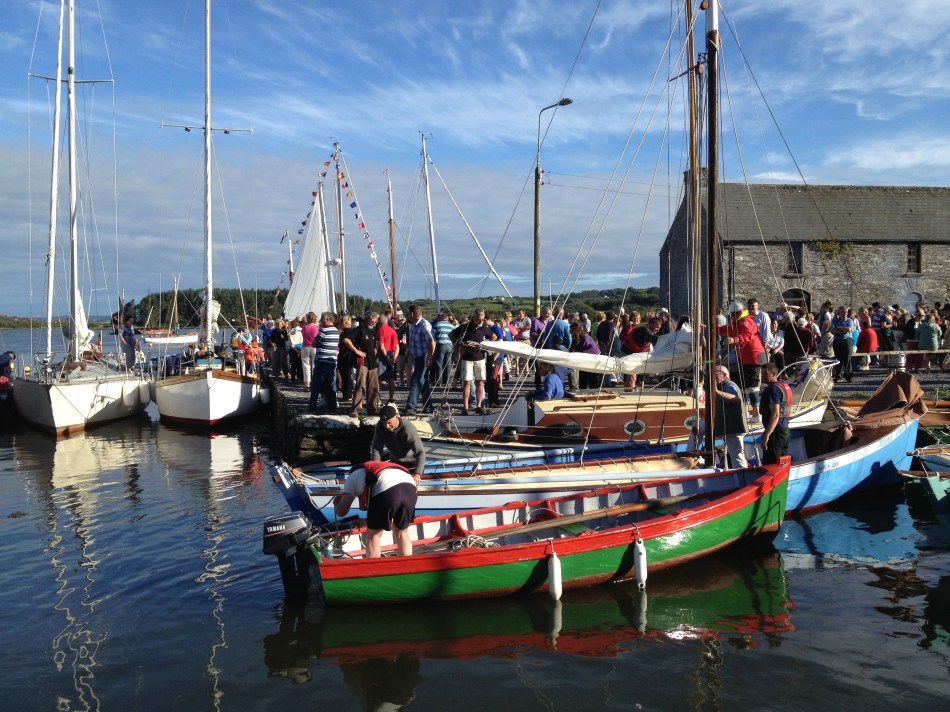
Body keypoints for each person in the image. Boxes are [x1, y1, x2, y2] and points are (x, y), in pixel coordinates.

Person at [332, 459, 419, 558]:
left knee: (373, 535)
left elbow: (341, 511)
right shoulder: (373, 470)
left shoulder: (352, 476)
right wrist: (367, 521)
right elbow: (389, 511)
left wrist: (336, 503)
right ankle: (406, 565)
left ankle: (373, 566)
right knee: (402, 533)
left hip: (387, 489)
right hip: (410, 487)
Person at [720, 300, 766, 423]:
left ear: (735, 313)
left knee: (752, 387)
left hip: (753, 357)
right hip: (747, 357)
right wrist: (714, 329)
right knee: (746, 386)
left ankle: (756, 415)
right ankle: (747, 413)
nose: (731, 317)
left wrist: (734, 340)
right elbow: (729, 329)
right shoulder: (739, 321)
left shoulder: (745, 321)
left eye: (732, 314)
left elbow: (748, 336)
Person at [450, 308, 492, 415]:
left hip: (480, 358)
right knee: (467, 382)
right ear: (473, 318)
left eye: (482, 319)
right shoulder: (466, 326)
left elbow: (494, 336)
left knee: (480, 382)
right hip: (467, 358)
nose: (481, 321)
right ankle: (465, 407)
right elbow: (451, 334)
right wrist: (458, 346)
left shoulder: (484, 328)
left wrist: (487, 346)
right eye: (479, 319)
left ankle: (479, 406)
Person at [370, 403, 426, 478]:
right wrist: (374, 469)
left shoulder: (408, 429)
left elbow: (420, 452)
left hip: (412, 465)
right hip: (395, 463)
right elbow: (376, 449)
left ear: (396, 417)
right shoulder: (380, 427)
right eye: (384, 423)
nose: (387, 426)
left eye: (389, 422)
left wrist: (418, 473)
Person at [344, 312, 381, 417]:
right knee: (360, 385)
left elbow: (376, 341)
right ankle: (354, 409)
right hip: (362, 360)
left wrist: (376, 348)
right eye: (372, 321)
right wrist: (356, 351)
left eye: (375, 322)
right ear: (367, 319)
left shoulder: (374, 330)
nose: (374, 323)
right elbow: (346, 340)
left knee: (373, 386)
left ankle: (372, 408)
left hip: (372, 361)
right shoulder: (360, 329)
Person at [712, 364, 748, 468]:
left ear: (725, 375)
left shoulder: (730, 385)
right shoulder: (723, 386)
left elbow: (735, 398)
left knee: (737, 454)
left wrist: (717, 392)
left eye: (716, 374)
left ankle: (742, 473)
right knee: (734, 453)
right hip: (730, 428)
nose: (713, 377)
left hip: (735, 428)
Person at [405, 303, 435, 415]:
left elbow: (432, 342)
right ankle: (428, 407)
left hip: (423, 357)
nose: (408, 316)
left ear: (412, 314)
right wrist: (408, 354)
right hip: (416, 357)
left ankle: (411, 406)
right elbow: (412, 342)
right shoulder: (414, 325)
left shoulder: (424, 325)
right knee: (423, 382)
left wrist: (430, 356)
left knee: (415, 380)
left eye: (409, 313)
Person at [759, 361, 792, 465]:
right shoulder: (784, 386)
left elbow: (775, 415)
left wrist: (767, 435)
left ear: (773, 374)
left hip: (775, 433)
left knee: (773, 463)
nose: (762, 376)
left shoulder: (772, 390)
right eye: (762, 374)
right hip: (784, 430)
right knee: (782, 461)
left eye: (765, 374)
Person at [308, 311, 339, 413]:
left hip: (322, 360)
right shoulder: (336, 331)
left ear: (326, 320)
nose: (320, 321)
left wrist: (318, 342)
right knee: (331, 384)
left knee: (316, 384)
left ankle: (312, 407)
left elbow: (314, 343)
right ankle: (332, 408)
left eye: (321, 319)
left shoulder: (323, 331)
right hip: (332, 361)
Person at [376, 313, 399, 404]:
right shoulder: (393, 331)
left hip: (383, 355)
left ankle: (378, 398)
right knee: (391, 378)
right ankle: (391, 397)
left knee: (379, 378)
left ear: (379, 323)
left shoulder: (381, 330)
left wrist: (387, 357)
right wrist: (394, 358)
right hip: (392, 353)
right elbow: (397, 347)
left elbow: (381, 346)